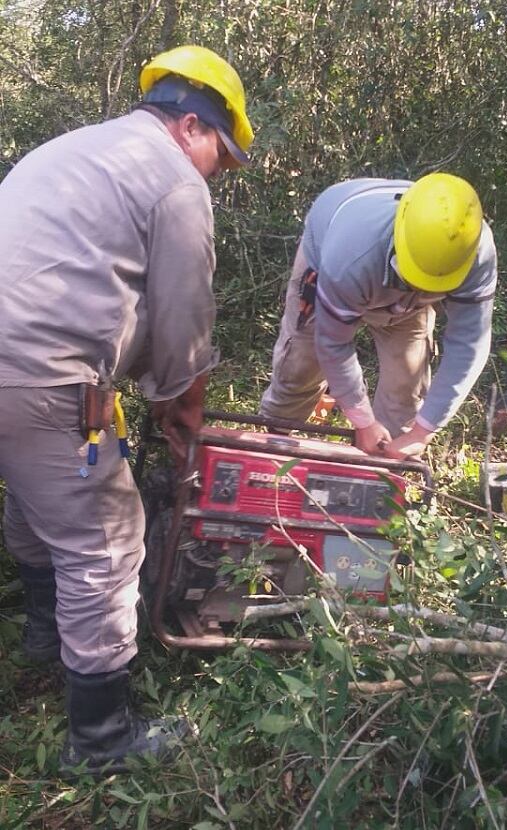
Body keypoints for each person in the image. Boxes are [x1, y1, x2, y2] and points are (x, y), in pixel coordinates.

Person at [0, 44, 253, 775]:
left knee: (36, 492)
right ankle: (102, 738)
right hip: (42, 377)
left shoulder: (78, 149)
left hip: (22, 378)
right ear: (194, 126)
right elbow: (181, 321)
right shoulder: (174, 179)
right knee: (107, 541)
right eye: (221, 157)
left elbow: (92, 282)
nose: (217, 174)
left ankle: (45, 634)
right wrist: (183, 408)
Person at [260, 174, 498, 458]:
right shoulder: (350, 254)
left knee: (405, 384)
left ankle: (385, 470)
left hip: (402, 299)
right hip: (338, 255)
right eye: (416, 281)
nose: (420, 289)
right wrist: (362, 419)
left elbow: (470, 344)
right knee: (301, 363)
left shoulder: (476, 252)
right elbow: (333, 344)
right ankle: (273, 446)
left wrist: (422, 431)